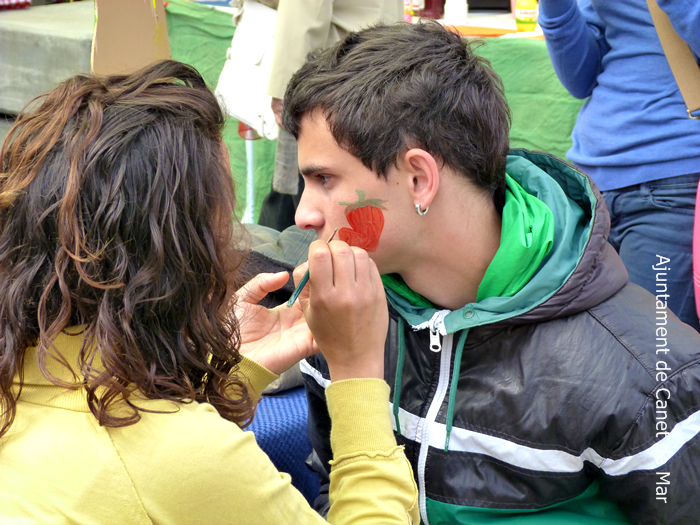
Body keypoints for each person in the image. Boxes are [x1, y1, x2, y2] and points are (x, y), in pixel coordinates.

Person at [276, 21, 700, 524]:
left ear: (419, 178)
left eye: (325, 179)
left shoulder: (649, 372)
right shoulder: (342, 316)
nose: (302, 214)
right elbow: (333, 486)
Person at [0, 60, 418, 524]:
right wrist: (357, 372)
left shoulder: (21, 375)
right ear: (180, 262)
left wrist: (230, 375)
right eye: (223, 230)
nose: (301, 216)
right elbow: (160, 469)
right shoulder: (176, 456)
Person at [538, 0, 700, 331]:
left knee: (658, 358)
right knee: (594, 358)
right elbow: (581, 77)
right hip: (592, 186)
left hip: (674, 182)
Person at [257, 0, 403, 231]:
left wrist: (284, 85)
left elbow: (304, 9)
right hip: (375, 63)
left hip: (328, 76)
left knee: (309, 186)